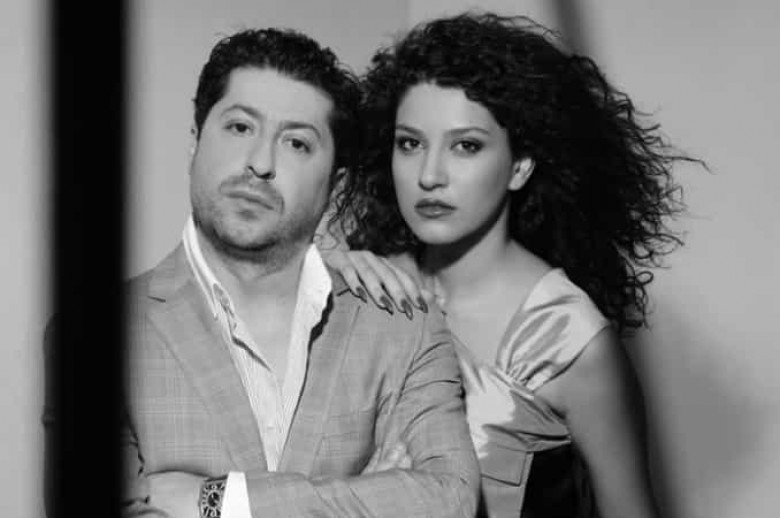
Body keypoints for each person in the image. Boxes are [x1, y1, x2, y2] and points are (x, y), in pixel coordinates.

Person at [327, 12, 697, 518]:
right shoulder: (361, 286)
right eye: (410, 143)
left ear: (520, 166)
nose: (430, 175)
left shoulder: (568, 341)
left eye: (466, 146)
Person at [118, 27, 479, 517]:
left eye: (296, 143)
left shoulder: (405, 326)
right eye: (240, 128)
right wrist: (369, 497)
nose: (259, 163)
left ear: (335, 185)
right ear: (195, 143)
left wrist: (220, 501)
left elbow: (451, 499)